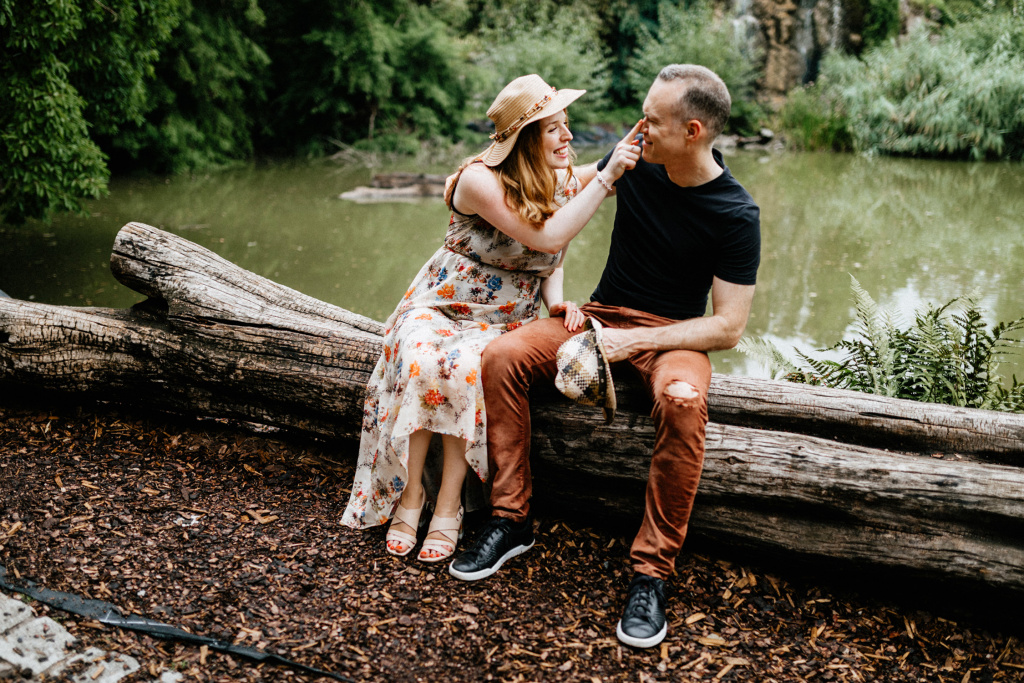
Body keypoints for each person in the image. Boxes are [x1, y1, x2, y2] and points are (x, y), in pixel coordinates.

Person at [449, 64, 761, 650]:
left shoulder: (736, 214)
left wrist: (635, 343)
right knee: (503, 356)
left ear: (692, 131)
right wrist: (480, 178)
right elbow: (551, 196)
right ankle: (510, 519)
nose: (638, 128)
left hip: (675, 337)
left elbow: (728, 328)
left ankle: (651, 572)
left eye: (652, 119)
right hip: (599, 316)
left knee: (683, 401)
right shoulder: (635, 162)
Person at [340, 74, 642, 563]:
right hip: (441, 305)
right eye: (554, 129)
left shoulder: (556, 177)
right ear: (523, 138)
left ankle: (449, 504)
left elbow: (551, 259)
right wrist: (607, 178)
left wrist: (556, 302)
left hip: (505, 319)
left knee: (467, 368)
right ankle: (411, 495)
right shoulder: (478, 180)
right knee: (422, 360)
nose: (568, 136)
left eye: (567, 125)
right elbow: (547, 236)